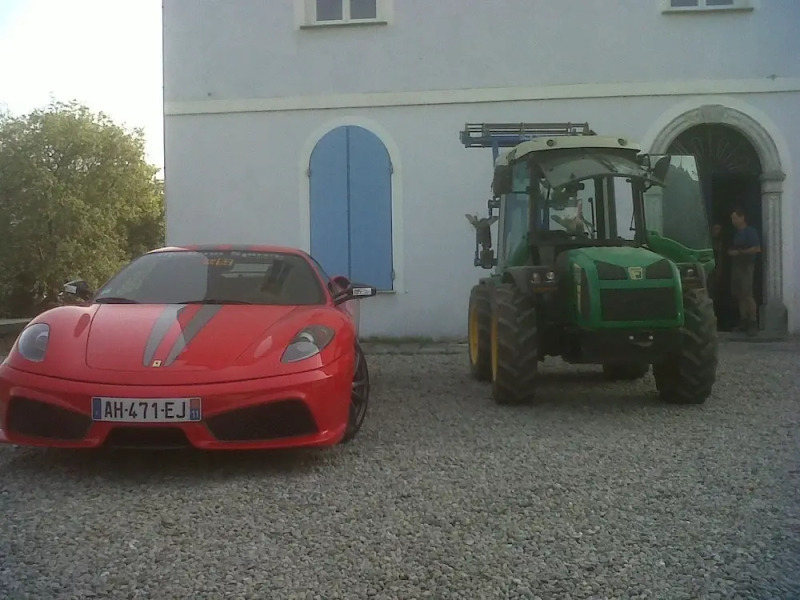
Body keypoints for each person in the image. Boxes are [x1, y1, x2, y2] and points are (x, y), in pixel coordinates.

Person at [728, 208, 761, 336]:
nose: (733, 221)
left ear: (742, 218)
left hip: (747, 266)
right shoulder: (737, 233)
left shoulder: (750, 232)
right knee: (740, 295)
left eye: (735, 218)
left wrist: (741, 252)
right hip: (737, 266)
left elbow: (757, 248)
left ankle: (753, 321)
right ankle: (744, 321)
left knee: (748, 294)